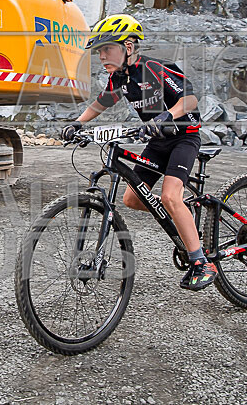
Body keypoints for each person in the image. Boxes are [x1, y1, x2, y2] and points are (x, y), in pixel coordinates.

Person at [61, 14, 217, 291]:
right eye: (99, 51)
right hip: (157, 142)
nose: (101, 56)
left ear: (129, 47)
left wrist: (166, 116)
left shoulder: (155, 68)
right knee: (132, 199)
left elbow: (191, 99)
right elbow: (101, 103)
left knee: (170, 195)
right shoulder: (119, 78)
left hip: (184, 137)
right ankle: (182, 214)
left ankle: (202, 263)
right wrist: (78, 124)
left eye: (107, 49)